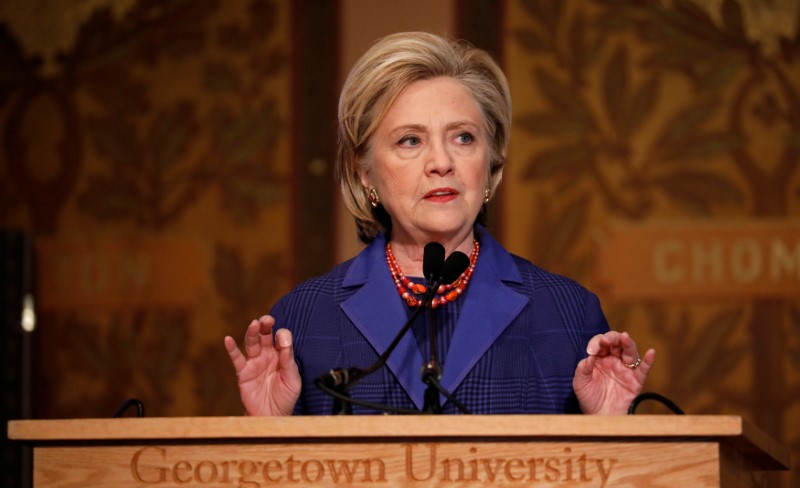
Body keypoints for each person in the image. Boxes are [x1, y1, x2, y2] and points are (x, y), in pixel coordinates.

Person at [223, 32, 655, 416]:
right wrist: (268, 430)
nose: (442, 163)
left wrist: (610, 426)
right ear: (365, 173)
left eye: (463, 137)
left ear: (489, 163)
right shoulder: (303, 319)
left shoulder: (568, 313)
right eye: (410, 140)